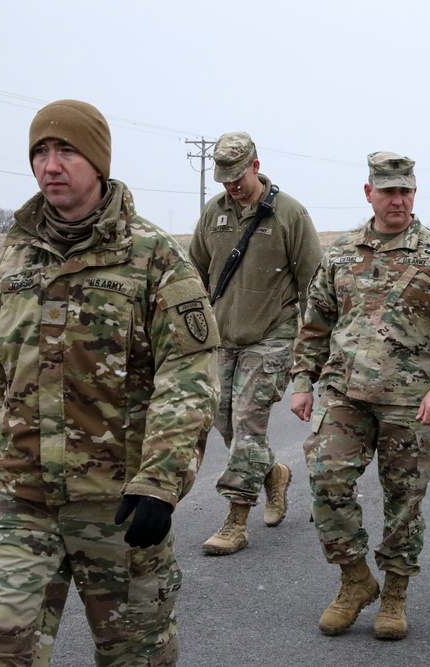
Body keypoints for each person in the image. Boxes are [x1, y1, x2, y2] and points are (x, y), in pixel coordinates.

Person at [0, 99, 220, 666]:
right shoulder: (14, 259)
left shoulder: (156, 260)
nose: (51, 166)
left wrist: (160, 479)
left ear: (98, 162)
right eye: (40, 153)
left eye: (66, 151)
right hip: (20, 498)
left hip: (119, 503)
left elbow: (190, 374)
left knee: (137, 655)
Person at [290, 152, 430, 641]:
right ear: (369, 192)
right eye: (388, 191)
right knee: (326, 483)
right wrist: (301, 381)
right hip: (344, 393)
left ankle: (394, 592)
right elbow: (315, 323)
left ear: (414, 194)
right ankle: (354, 579)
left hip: (411, 400)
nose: (397, 200)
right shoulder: (341, 253)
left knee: (403, 502)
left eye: (405, 192)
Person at [189, 131, 322, 556]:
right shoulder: (214, 213)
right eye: (224, 178)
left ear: (256, 166)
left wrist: (311, 353)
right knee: (225, 422)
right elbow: (193, 273)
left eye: (238, 175)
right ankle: (273, 474)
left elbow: (314, 288)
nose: (232, 185)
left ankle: (235, 520)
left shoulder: (288, 214)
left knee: (246, 424)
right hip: (222, 340)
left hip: (272, 337)